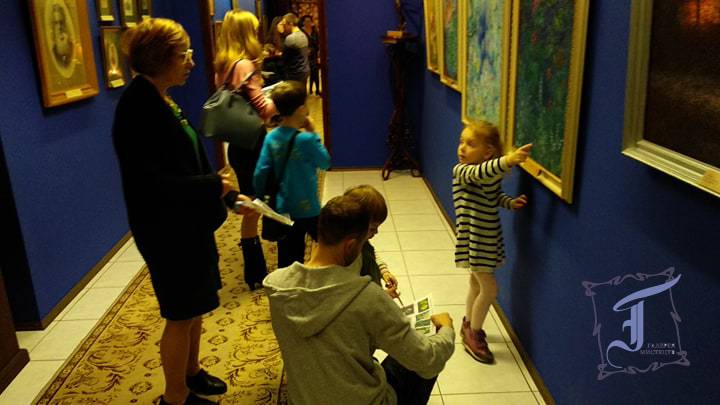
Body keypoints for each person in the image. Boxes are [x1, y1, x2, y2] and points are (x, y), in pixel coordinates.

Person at [113, 18, 253, 405]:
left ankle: (191, 373)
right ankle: (175, 397)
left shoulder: (160, 97)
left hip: (186, 222)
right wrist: (213, 186)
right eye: (184, 55)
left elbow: (188, 162)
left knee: (196, 306)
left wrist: (226, 196)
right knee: (180, 313)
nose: (192, 62)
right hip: (166, 229)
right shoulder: (137, 109)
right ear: (161, 59)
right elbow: (152, 185)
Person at [264, 195, 455, 405]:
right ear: (351, 246)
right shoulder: (369, 298)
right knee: (429, 353)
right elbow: (429, 360)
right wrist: (446, 330)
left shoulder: (276, 285)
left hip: (302, 399)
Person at [453, 121, 532, 364]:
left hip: (486, 238)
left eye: (470, 144)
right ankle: (474, 333)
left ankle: (468, 323)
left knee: (475, 284)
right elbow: (481, 173)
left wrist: (510, 202)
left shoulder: (486, 174)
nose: (462, 148)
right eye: (462, 142)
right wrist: (509, 160)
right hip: (475, 241)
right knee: (490, 289)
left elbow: (492, 194)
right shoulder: (463, 171)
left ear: (487, 152)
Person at [214, 9, 278, 290]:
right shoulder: (244, 66)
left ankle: (255, 268)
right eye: (253, 30)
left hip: (239, 145)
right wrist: (281, 97)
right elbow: (263, 110)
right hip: (254, 143)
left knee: (252, 201)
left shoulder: (225, 65)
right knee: (255, 204)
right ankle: (255, 269)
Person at [253, 80, 330, 268]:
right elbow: (325, 162)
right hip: (309, 208)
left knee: (289, 257)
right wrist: (313, 132)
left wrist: (262, 196)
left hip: (284, 208)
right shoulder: (306, 140)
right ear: (302, 109)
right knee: (328, 244)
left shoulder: (271, 138)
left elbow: (260, 173)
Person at [343, 185, 400, 300]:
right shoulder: (348, 258)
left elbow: (371, 255)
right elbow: (354, 297)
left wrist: (383, 271)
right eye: (372, 228)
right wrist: (382, 297)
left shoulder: (362, 241)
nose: (377, 232)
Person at [277, 13, 310, 83]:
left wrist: (281, 33)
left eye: (284, 25)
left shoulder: (291, 38)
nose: (283, 27)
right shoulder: (303, 34)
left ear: (291, 24)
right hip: (304, 70)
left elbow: (284, 58)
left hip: (295, 73)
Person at [299, 15, 320, 95]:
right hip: (305, 55)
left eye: (309, 21)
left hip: (314, 54)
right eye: (306, 21)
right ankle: (309, 90)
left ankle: (317, 89)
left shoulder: (314, 31)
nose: (308, 23)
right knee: (308, 72)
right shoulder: (301, 31)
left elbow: (318, 43)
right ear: (303, 22)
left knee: (315, 72)